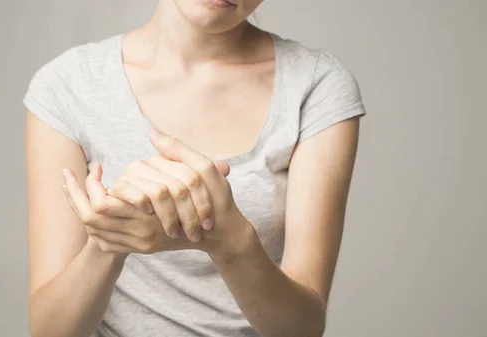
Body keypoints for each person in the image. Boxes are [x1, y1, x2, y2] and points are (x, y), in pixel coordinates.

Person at [23, 0, 366, 336]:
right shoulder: (68, 85)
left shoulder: (316, 86)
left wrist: (230, 241)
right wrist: (109, 241)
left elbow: (302, 330)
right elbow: (51, 331)